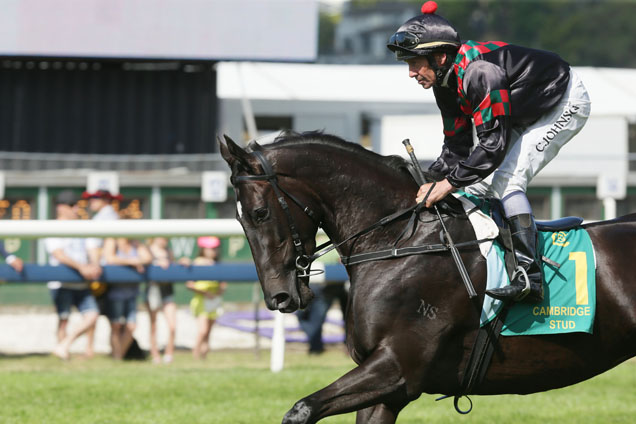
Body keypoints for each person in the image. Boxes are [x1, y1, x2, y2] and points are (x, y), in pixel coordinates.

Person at [387, 1, 591, 303]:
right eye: (408, 65)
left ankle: (528, 277)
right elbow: (456, 149)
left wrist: (445, 185)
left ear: (440, 56)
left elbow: (491, 147)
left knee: (507, 180)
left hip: (562, 100)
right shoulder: (444, 84)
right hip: (522, 111)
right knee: (478, 185)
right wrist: (424, 182)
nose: (411, 73)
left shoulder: (479, 73)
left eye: (416, 63)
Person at [44, 190, 102, 360]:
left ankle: (64, 345)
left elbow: (92, 249)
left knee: (92, 315)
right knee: (64, 320)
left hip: (82, 283)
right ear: (61, 208)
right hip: (61, 283)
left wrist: (94, 265)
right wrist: (81, 267)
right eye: (72, 206)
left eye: (76, 205)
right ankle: (64, 354)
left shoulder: (83, 225)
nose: (76, 209)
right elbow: (58, 254)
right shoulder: (52, 226)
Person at [83, 189, 121, 356]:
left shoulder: (103, 218)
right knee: (114, 318)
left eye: (95, 198)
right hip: (110, 271)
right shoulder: (112, 216)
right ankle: (115, 351)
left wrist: (94, 264)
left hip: (102, 273)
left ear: (105, 200)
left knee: (95, 312)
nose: (91, 202)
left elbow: (93, 245)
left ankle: (90, 349)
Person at [102, 233, 152, 360]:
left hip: (132, 291)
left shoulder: (135, 242)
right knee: (116, 325)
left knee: (131, 326)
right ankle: (116, 356)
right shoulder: (112, 240)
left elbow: (147, 258)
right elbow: (109, 259)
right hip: (115, 292)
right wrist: (132, 262)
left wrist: (135, 261)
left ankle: (119, 356)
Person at [184, 236, 227, 360]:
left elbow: (222, 283)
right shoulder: (197, 263)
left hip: (214, 300)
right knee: (202, 330)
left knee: (208, 331)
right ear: (203, 249)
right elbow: (190, 284)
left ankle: (204, 357)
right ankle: (195, 353)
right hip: (201, 301)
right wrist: (205, 293)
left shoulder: (218, 265)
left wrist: (219, 291)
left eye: (214, 249)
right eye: (210, 248)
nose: (213, 251)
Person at [145, 237, 178, 364]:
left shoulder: (169, 251)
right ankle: (155, 355)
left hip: (167, 290)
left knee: (172, 325)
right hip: (153, 290)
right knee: (153, 325)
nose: (165, 240)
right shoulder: (147, 250)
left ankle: (169, 354)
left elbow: (174, 267)